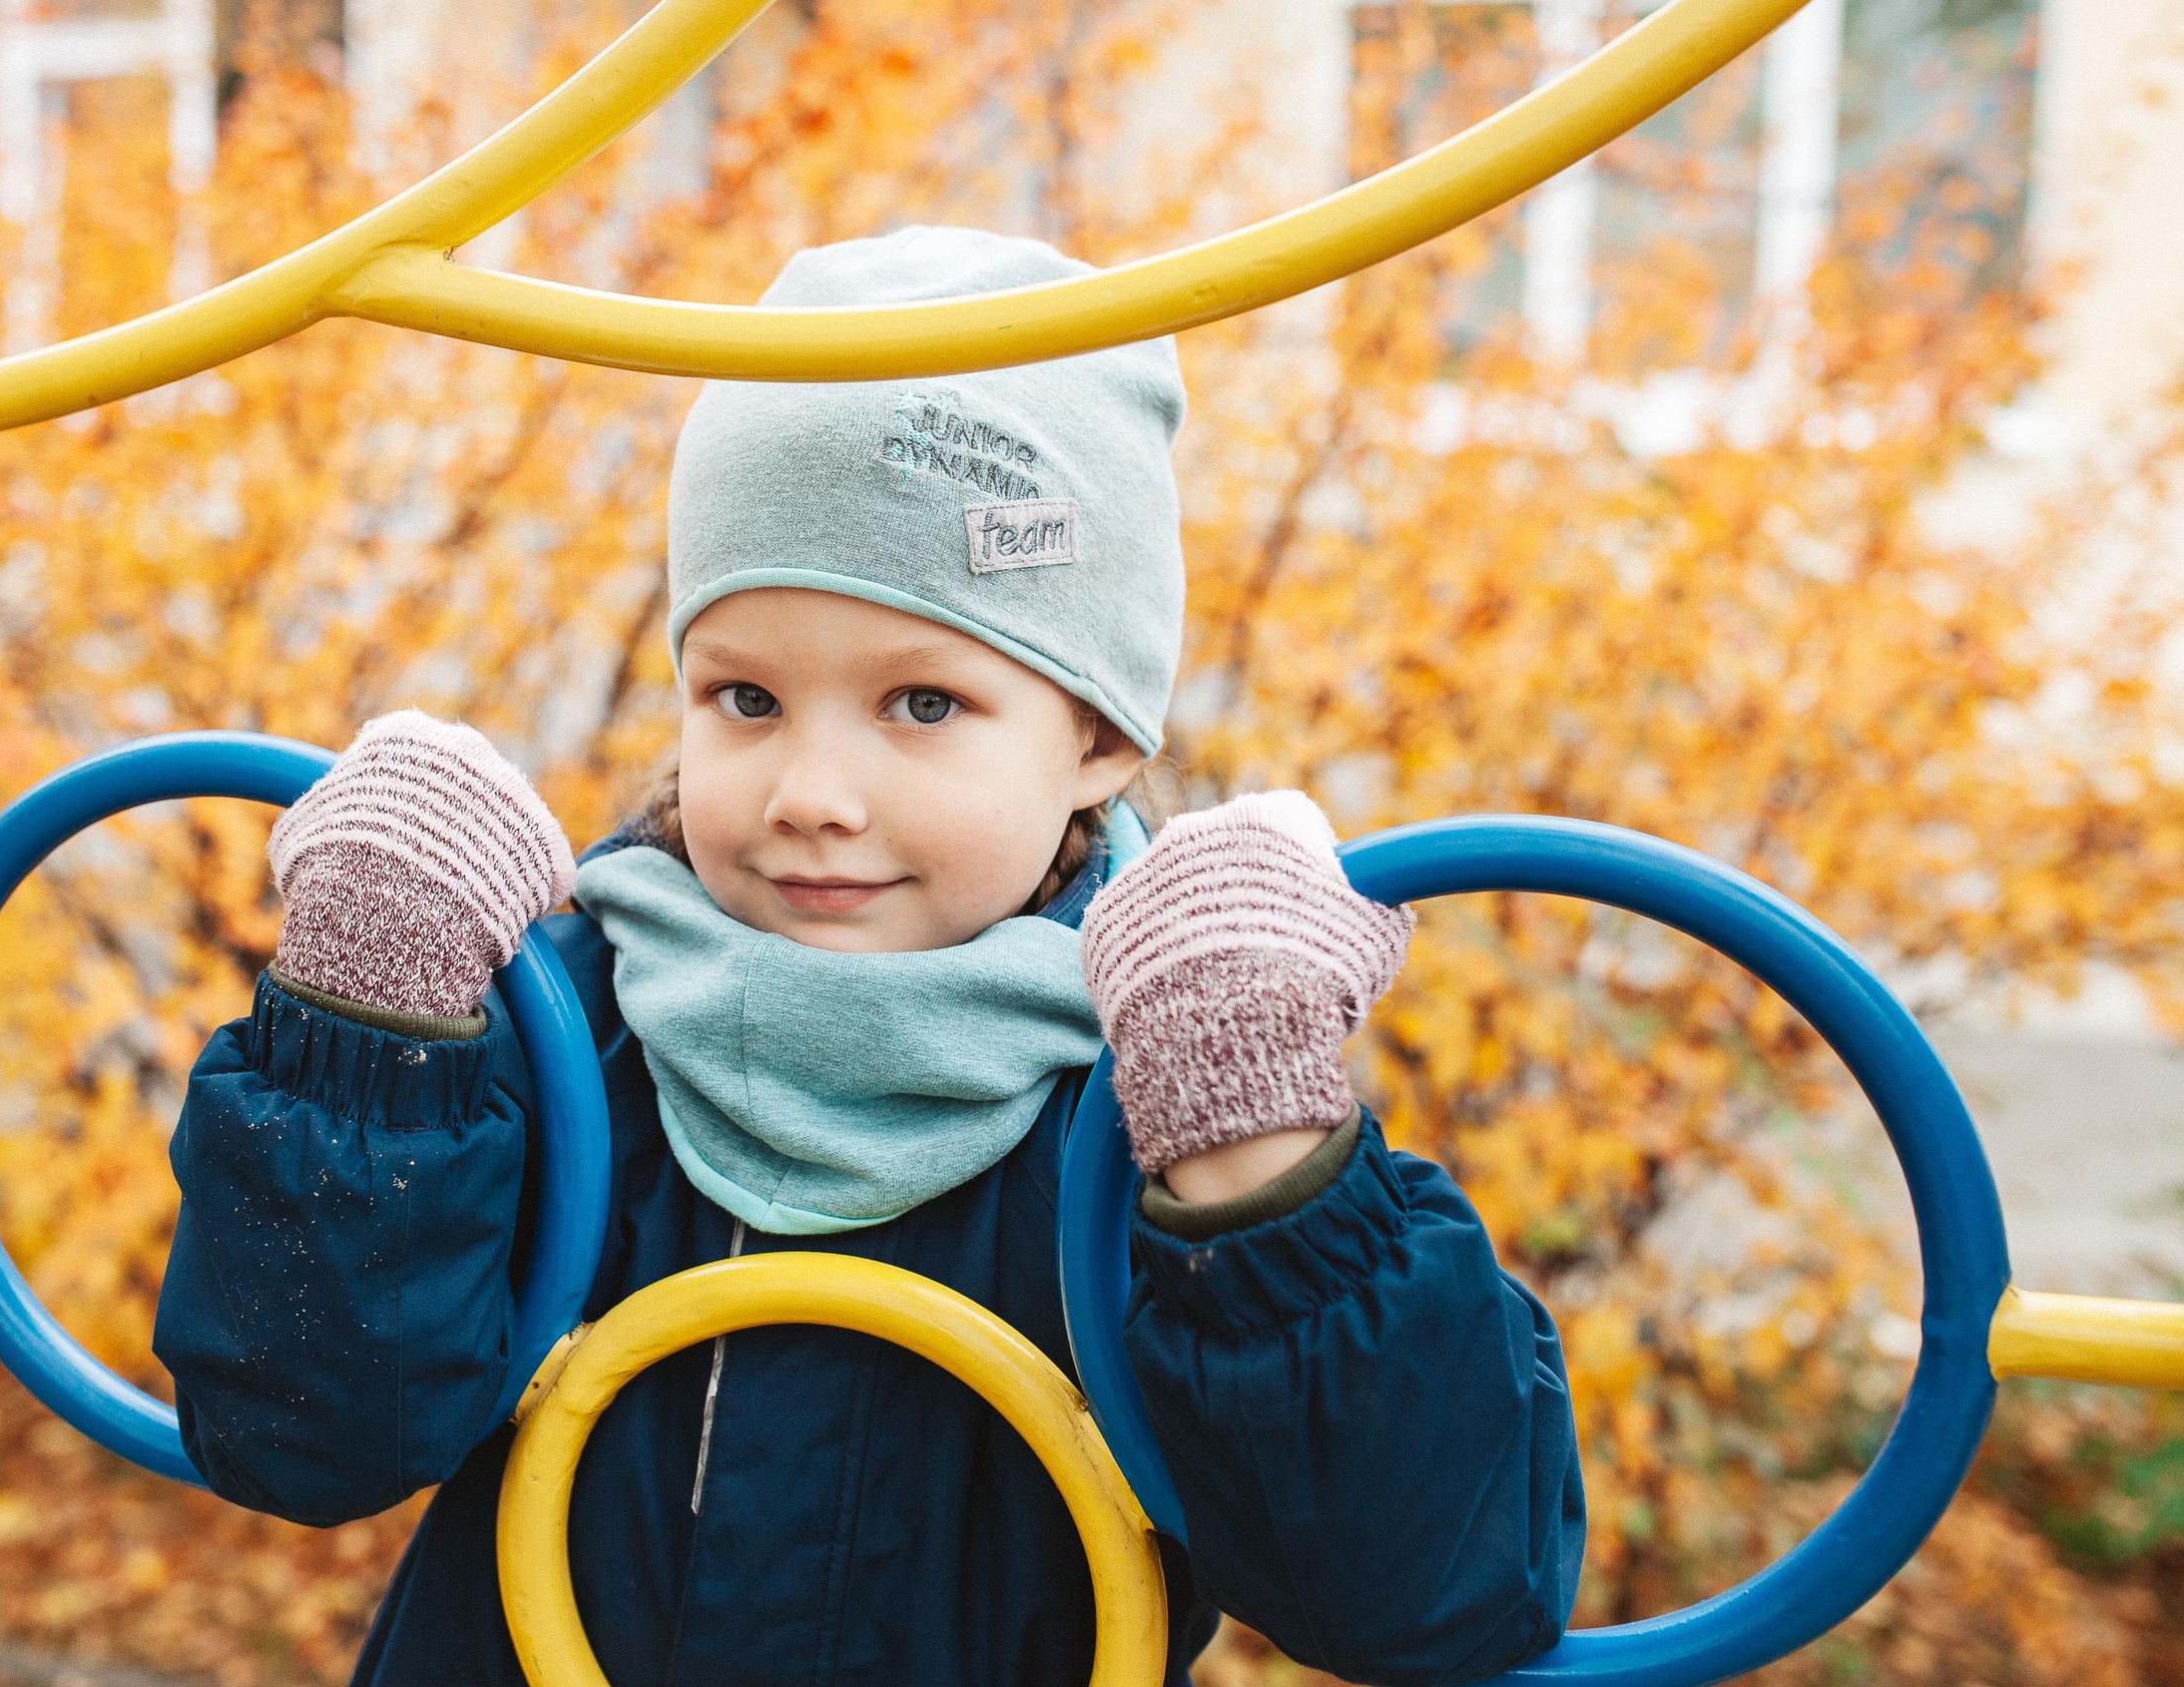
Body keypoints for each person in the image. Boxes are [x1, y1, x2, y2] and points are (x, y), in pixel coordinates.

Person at [153, 226, 1584, 1687]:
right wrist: (364, 1016)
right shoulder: (576, 1030)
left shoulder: (1157, 1090)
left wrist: (1259, 1150)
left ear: (1095, 734)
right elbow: (297, 1432)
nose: (810, 791)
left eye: (921, 703)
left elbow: (1428, 1597)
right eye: (748, 695)